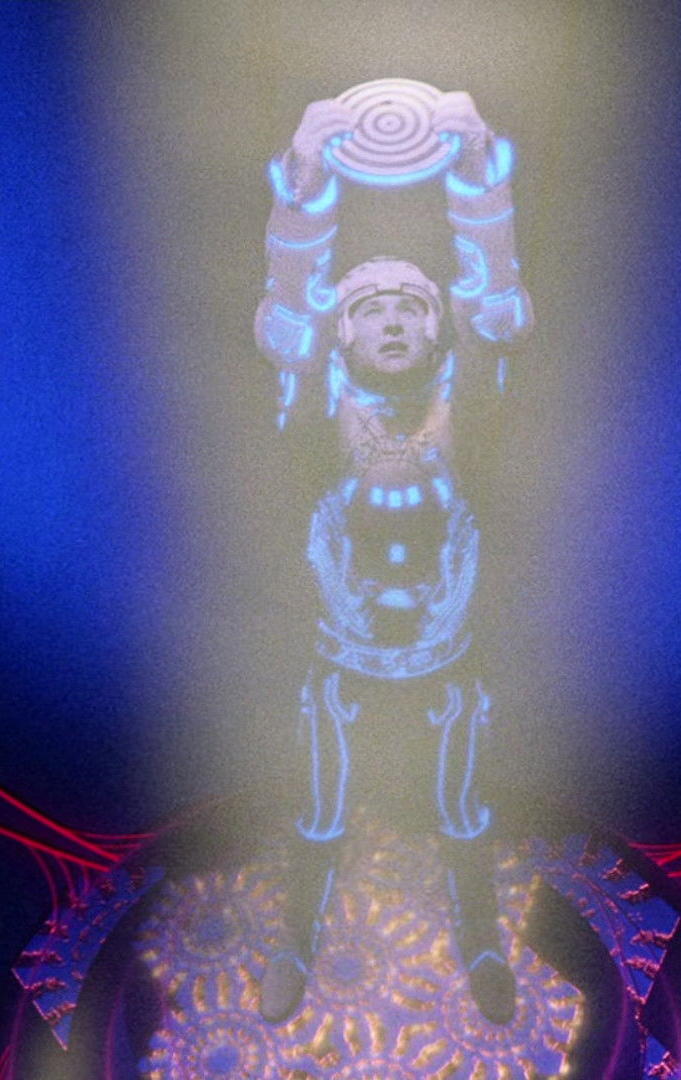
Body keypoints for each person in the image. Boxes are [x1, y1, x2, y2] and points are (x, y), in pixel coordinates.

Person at [250, 86, 533, 1027]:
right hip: (342, 664)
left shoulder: (469, 405)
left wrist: (478, 172)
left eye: (412, 308)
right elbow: (288, 312)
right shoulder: (316, 405)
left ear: (437, 326)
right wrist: (303, 181)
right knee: (319, 812)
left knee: (464, 811)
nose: (395, 322)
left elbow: (498, 306)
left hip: (449, 664)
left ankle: (481, 941)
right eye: (371, 311)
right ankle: (297, 941)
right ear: (344, 332)